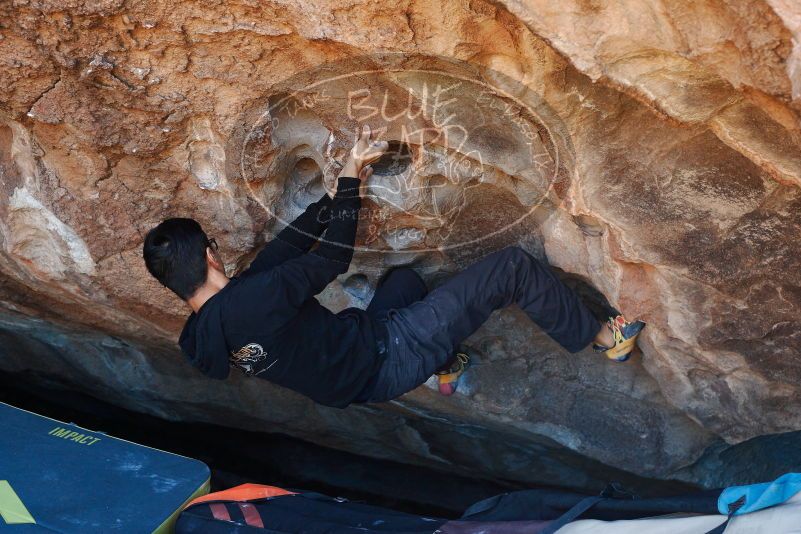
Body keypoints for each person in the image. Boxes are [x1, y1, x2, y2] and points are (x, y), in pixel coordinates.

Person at [143, 125, 645, 407]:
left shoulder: (207, 332)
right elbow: (335, 259)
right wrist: (351, 176)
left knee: (403, 281)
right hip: (391, 352)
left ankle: (446, 365)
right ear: (209, 254)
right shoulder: (252, 299)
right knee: (511, 267)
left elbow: (285, 250)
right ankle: (604, 337)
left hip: (360, 370)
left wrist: (334, 192)